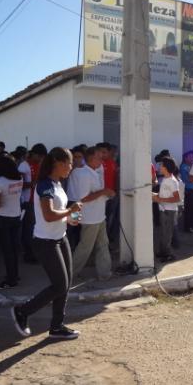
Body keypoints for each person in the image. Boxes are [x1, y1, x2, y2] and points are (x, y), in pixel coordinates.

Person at [11, 147, 82, 340]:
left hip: (61, 237)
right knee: (59, 285)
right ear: (58, 163)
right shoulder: (44, 185)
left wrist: (71, 218)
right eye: (69, 163)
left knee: (65, 285)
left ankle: (57, 326)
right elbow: (49, 215)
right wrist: (70, 211)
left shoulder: (58, 184)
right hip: (45, 242)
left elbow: (59, 213)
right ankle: (22, 311)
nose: (71, 167)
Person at [71, 147, 115, 281]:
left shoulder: (94, 172)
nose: (102, 159)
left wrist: (106, 194)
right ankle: (70, 273)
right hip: (90, 217)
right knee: (85, 247)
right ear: (91, 159)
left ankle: (104, 273)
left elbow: (97, 193)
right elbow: (83, 198)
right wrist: (103, 192)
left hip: (99, 216)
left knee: (103, 244)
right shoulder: (84, 174)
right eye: (99, 157)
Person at [0, 155, 23, 289]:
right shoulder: (19, 178)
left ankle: (11, 280)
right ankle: (14, 274)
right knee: (14, 249)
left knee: (7, 250)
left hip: (3, 218)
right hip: (16, 215)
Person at [23, 144, 48, 263]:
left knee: (35, 228)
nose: (41, 159)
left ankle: (34, 252)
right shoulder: (24, 165)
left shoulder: (39, 164)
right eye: (40, 157)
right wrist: (33, 183)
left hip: (37, 200)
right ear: (35, 154)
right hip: (28, 201)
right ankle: (29, 254)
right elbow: (19, 184)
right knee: (29, 229)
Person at [152, 157, 181, 262]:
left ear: (166, 167)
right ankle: (162, 252)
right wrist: (155, 196)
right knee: (163, 232)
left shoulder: (172, 181)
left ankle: (168, 254)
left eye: (161, 165)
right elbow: (164, 195)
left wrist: (159, 198)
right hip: (164, 210)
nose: (160, 167)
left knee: (167, 234)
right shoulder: (166, 179)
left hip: (169, 211)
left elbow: (177, 198)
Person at [96, 142, 119, 244]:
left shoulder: (113, 163)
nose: (102, 154)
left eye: (104, 152)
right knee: (100, 220)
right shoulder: (96, 164)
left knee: (110, 219)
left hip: (112, 196)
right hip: (99, 197)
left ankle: (107, 242)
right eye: (100, 152)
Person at [180, 151, 193, 234]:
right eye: (190, 157)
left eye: (192, 157)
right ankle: (188, 227)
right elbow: (188, 179)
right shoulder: (184, 166)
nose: (192, 158)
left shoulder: (192, 166)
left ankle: (192, 226)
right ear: (185, 158)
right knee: (189, 210)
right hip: (188, 190)